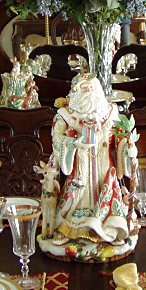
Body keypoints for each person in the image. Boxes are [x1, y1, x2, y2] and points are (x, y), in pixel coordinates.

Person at [46, 73, 137, 246]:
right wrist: (73, 143)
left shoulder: (110, 112)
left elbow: (119, 136)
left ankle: (110, 228)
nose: (88, 91)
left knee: (107, 191)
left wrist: (126, 146)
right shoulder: (65, 115)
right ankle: (69, 228)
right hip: (79, 168)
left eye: (91, 87)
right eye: (84, 88)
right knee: (76, 195)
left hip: (104, 168)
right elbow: (56, 140)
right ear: (76, 92)